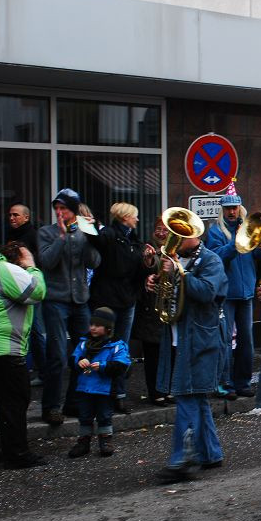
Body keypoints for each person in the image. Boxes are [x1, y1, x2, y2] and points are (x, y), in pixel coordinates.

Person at [150, 221, 228, 484]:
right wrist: (157, 281)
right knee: (196, 396)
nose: (173, 239)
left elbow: (206, 292)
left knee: (186, 394)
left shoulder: (211, 260)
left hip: (201, 336)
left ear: (193, 235)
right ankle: (210, 453)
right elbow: (169, 293)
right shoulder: (173, 259)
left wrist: (179, 272)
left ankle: (181, 460)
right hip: (179, 334)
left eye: (179, 235)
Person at [38, 188, 102, 425]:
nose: (59, 212)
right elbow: (46, 261)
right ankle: (51, 407)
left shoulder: (83, 232)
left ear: (74, 210)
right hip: (56, 300)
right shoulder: (46, 233)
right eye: (57, 208)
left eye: (64, 208)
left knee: (83, 352)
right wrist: (62, 238)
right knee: (56, 355)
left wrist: (90, 235)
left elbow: (95, 261)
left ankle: (73, 403)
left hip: (80, 300)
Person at [205, 180, 261, 399]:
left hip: (246, 292)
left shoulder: (249, 228)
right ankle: (225, 383)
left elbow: (259, 258)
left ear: (240, 208)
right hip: (226, 294)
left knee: (247, 341)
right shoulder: (215, 232)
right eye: (228, 208)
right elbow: (217, 258)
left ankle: (243, 382)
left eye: (235, 208)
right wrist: (237, 241)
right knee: (223, 340)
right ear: (223, 210)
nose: (232, 212)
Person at [87, 202, 145, 414]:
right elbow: (97, 240)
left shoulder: (133, 238)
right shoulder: (110, 235)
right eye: (134, 216)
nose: (137, 220)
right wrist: (90, 226)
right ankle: (101, 395)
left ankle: (118, 394)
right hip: (108, 300)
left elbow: (137, 268)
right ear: (124, 217)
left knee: (121, 349)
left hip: (127, 299)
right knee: (103, 347)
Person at [0, 244, 47, 469]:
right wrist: (32, 266)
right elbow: (36, 291)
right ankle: (17, 454)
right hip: (5, 349)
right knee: (14, 402)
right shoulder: (2, 269)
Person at [67, 307, 131, 458]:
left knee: (104, 416)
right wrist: (78, 361)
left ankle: (105, 441)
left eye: (97, 325)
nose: (93, 328)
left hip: (105, 389)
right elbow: (72, 359)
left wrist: (103, 366)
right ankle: (83, 442)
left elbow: (123, 366)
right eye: (91, 324)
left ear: (108, 328)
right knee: (84, 416)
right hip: (85, 388)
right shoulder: (83, 343)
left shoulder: (117, 345)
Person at [6, 203, 45, 382]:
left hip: (29, 287)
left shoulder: (31, 236)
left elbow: (37, 262)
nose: (12, 218)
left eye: (16, 215)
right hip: (16, 286)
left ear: (26, 218)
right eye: (10, 215)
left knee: (35, 329)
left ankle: (43, 371)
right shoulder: (13, 234)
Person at [135, 217, 171, 405]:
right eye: (158, 229)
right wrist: (149, 261)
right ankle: (155, 391)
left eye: (165, 230)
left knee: (170, 351)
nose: (162, 233)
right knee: (153, 354)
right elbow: (146, 267)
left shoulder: (176, 250)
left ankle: (168, 388)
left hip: (169, 307)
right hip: (152, 309)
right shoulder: (147, 249)